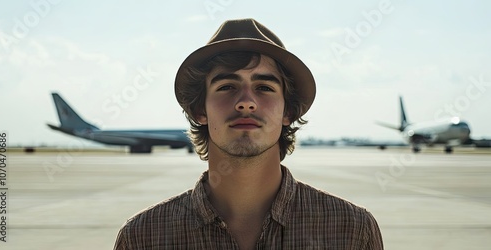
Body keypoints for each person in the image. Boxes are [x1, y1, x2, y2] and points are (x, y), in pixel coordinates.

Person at [113, 18, 383, 249]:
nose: (246, 102)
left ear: (287, 112)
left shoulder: (352, 231)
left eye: (264, 87)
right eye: (227, 86)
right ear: (200, 110)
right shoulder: (142, 237)